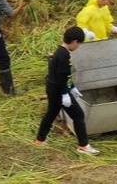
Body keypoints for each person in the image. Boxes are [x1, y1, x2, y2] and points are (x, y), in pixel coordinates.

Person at [35, 26, 99, 155]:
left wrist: (72, 87)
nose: (78, 47)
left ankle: (40, 140)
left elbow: (66, 76)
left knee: (51, 113)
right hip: (58, 90)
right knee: (78, 115)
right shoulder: (64, 55)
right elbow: (61, 77)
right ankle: (83, 145)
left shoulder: (60, 51)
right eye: (79, 44)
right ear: (74, 41)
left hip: (53, 88)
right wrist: (65, 94)